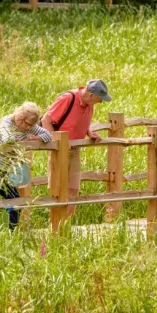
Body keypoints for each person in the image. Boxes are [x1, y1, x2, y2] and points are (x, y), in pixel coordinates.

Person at [42, 80, 112, 221]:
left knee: (73, 189)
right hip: (60, 149)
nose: (101, 102)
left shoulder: (89, 104)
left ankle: (66, 224)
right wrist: (56, 143)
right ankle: (55, 227)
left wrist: (89, 132)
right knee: (58, 189)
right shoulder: (68, 98)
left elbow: (79, 121)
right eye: (100, 99)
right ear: (91, 95)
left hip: (75, 149)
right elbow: (46, 120)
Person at [0, 102, 52, 230]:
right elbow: (8, 139)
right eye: (26, 124)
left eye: (31, 125)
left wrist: (34, 138)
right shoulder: (6, 122)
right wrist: (24, 140)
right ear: (20, 117)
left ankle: (13, 233)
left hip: (5, 170)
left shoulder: (29, 127)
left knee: (16, 203)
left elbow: (48, 135)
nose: (28, 127)